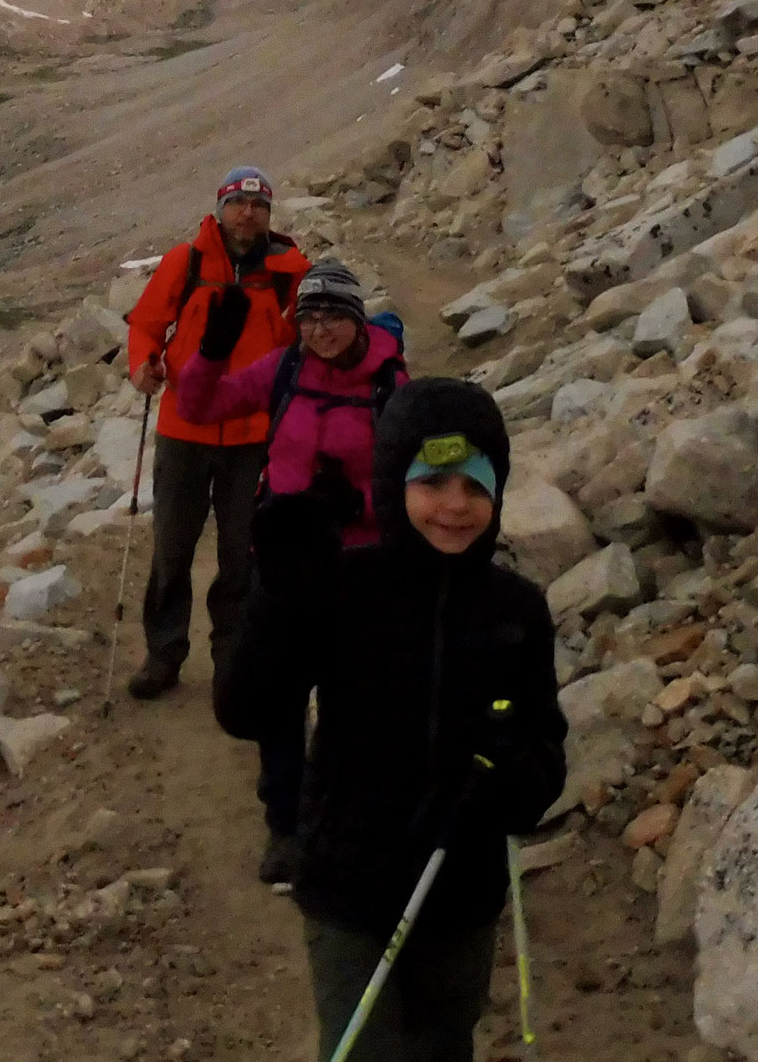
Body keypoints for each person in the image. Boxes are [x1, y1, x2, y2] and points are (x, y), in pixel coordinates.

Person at [215, 379, 566, 1062]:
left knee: (444, 1043)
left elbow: (544, 748)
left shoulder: (516, 610)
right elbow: (248, 709)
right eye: (432, 482)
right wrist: (279, 598)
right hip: (350, 888)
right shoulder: (347, 588)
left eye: (476, 484)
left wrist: (508, 786)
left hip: (463, 891)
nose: (455, 506)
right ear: (391, 483)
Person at [174, 258, 407, 885]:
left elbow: (407, 474)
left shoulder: (390, 383)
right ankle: (286, 824)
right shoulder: (284, 369)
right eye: (309, 316)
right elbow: (199, 406)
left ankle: (342, 817)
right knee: (278, 701)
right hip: (280, 566)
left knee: (349, 700)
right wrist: (211, 352)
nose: (321, 328)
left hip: (358, 567)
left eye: (333, 314)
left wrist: (357, 503)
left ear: (356, 317)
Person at [123, 166, 311, 701]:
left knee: (243, 552)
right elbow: (146, 325)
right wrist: (143, 365)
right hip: (185, 426)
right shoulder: (186, 262)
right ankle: (164, 654)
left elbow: (307, 334)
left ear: (269, 214)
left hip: (255, 433)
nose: (247, 212)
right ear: (221, 206)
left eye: (258, 205)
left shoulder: (288, 270)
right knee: (172, 548)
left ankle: (234, 657)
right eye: (238, 202)